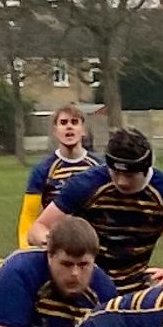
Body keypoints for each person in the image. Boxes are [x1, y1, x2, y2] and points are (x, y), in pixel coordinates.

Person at [27, 127, 163, 294]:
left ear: (146, 168)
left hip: (135, 288)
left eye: (129, 175)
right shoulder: (85, 184)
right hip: (86, 285)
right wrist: (56, 245)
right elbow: (38, 228)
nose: (121, 181)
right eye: (115, 172)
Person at [16, 103, 101, 248]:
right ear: (55, 131)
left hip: (92, 243)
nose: (69, 127)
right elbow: (28, 215)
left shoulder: (99, 166)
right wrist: (25, 250)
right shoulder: (43, 169)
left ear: (83, 130)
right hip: (56, 243)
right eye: (63, 123)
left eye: (74, 122)